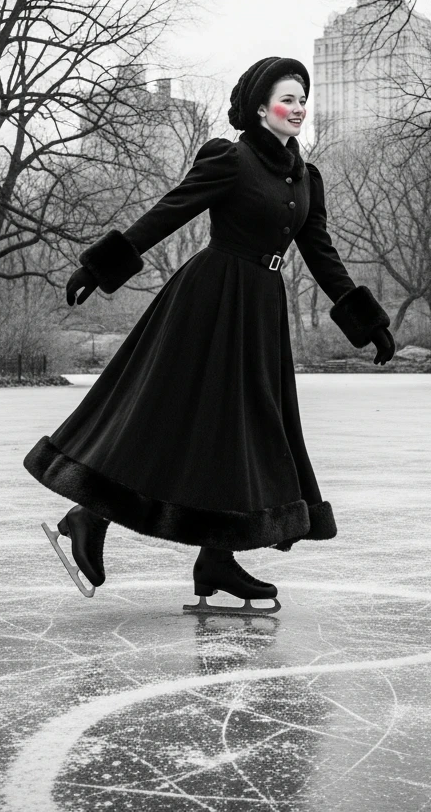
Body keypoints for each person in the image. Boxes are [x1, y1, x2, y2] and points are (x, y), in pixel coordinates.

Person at [24, 56, 396, 614]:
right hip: (210, 301)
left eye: (303, 99)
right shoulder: (231, 159)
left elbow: (322, 256)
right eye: (287, 98)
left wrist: (369, 325)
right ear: (258, 106)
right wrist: (100, 267)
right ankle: (89, 515)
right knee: (167, 412)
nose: (297, 108)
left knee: (245, 430)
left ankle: (216, 556)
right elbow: (168, 213)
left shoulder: (305, 178)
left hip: (262, 314)